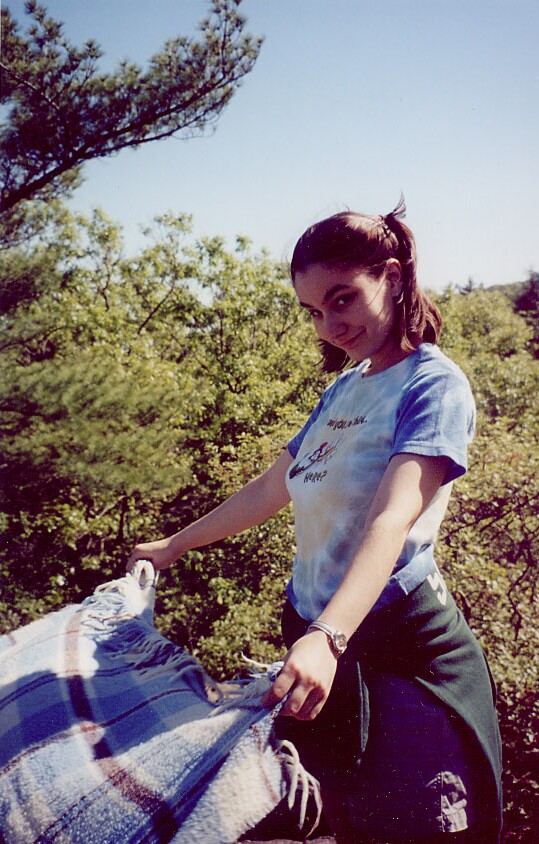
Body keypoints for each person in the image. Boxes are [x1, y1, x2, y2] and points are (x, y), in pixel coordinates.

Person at [127, 199, 502, 844]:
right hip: (320, 642)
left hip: (401, 653)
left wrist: (327, 638)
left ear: (391, 274)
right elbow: (275, 486)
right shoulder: (344, 389)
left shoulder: (434, 386)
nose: (329, 324)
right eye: (313, 312)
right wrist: (174, 545)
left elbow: (392, 520)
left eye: (343, 299)